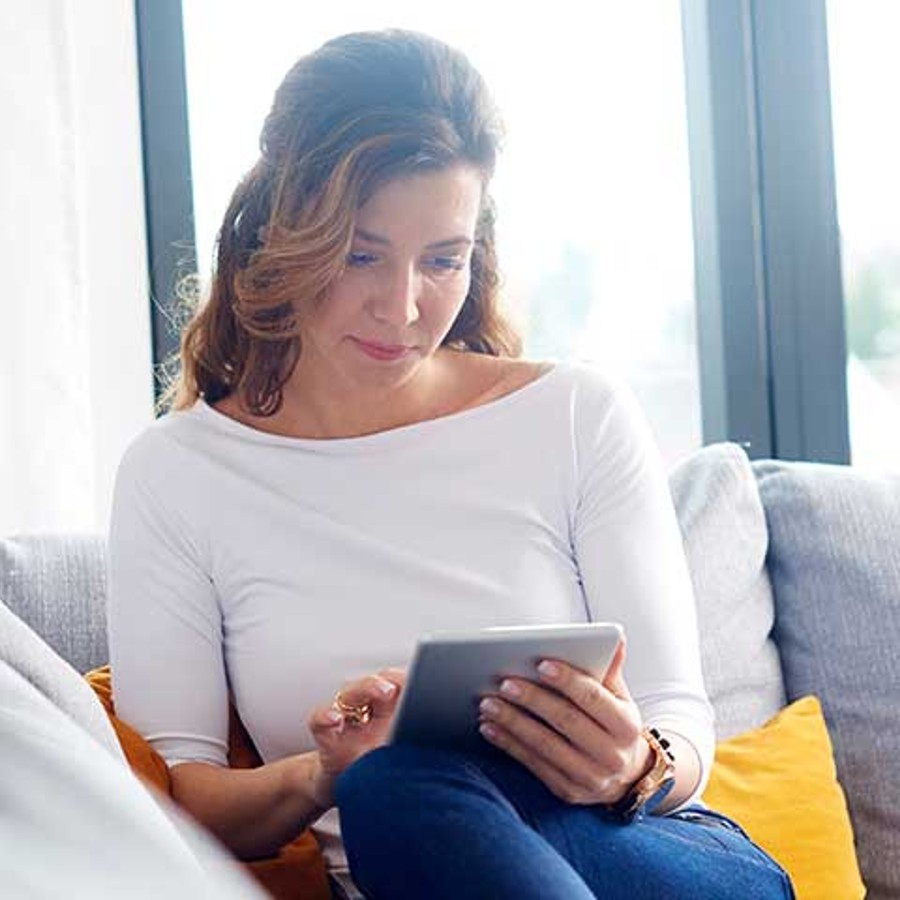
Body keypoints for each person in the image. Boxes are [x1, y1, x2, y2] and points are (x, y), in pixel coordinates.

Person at [107, 28, 794, 900]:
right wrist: (321, 775)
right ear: (284, 232)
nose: (403, 308)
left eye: (444, 260)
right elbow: (179, 801)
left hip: (643, 852)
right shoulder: (179, 475)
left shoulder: (575, 415)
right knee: (391, 784)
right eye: (361, 254)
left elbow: (679, 720)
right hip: (418, 849)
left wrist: (635, 766)